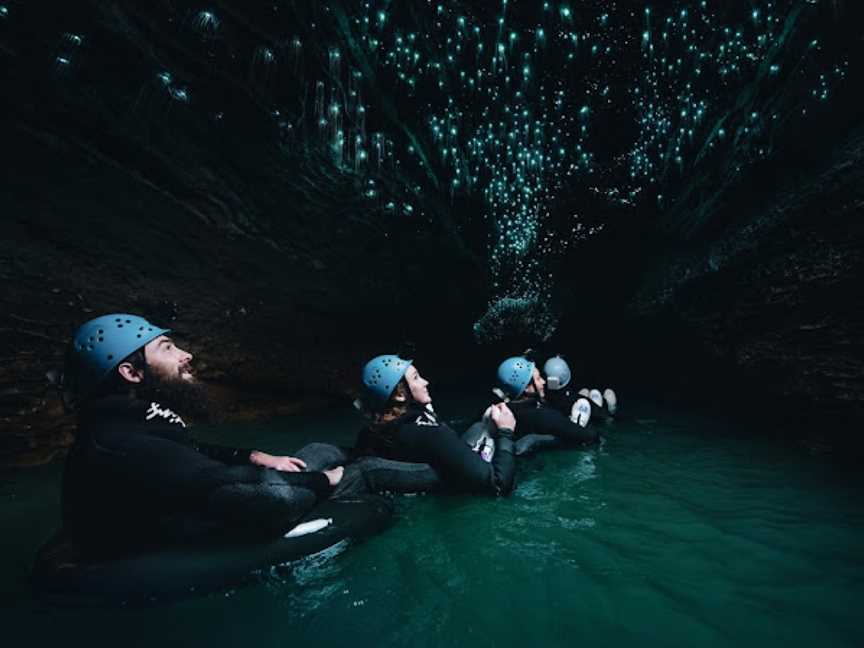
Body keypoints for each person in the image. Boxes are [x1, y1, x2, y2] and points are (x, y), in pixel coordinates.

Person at [56, 313, 346, 558]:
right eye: (167, 348)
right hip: (154, 542)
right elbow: (249, 491)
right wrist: (325, 480)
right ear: (132, 373)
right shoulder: (120, 442)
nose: (186, 355)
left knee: (321, 449)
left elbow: (189, 450)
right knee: (324, 475)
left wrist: (256, 457)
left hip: (191, 502)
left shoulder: (131, 418)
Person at [352, 355, 517, 496]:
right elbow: (499, 485)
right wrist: (506, 432)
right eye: (416, 377)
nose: (426, 382)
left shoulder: (369, 434)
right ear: (400, 395)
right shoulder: (430, 434)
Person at [493, 356, 600, 452]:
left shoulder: (501, 411)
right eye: (539, 378)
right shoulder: (545, 417)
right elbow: (589, 436)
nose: (544, 382)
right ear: (526, 387)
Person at [543, 355, 618, 423]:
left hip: (569, 408)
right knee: (592, 399)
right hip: (591, 411)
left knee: (585, 393)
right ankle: (606, 405)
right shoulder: (575, 399)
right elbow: (605, 416)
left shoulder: (543, 400)